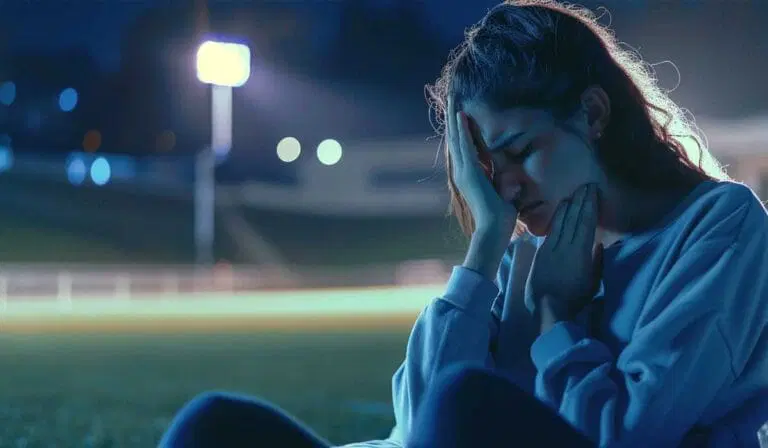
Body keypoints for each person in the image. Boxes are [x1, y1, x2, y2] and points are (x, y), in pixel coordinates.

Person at [159, 1, 768, 447]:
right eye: (486, 168)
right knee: (212, 424)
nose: (505, 187)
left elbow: (626, 439)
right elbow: (417, 426)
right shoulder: (522, 244)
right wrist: (483, 252)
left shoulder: (718, 225)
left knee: (465, 400)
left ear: (592, 113)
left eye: (522, 150)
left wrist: (558, 319)